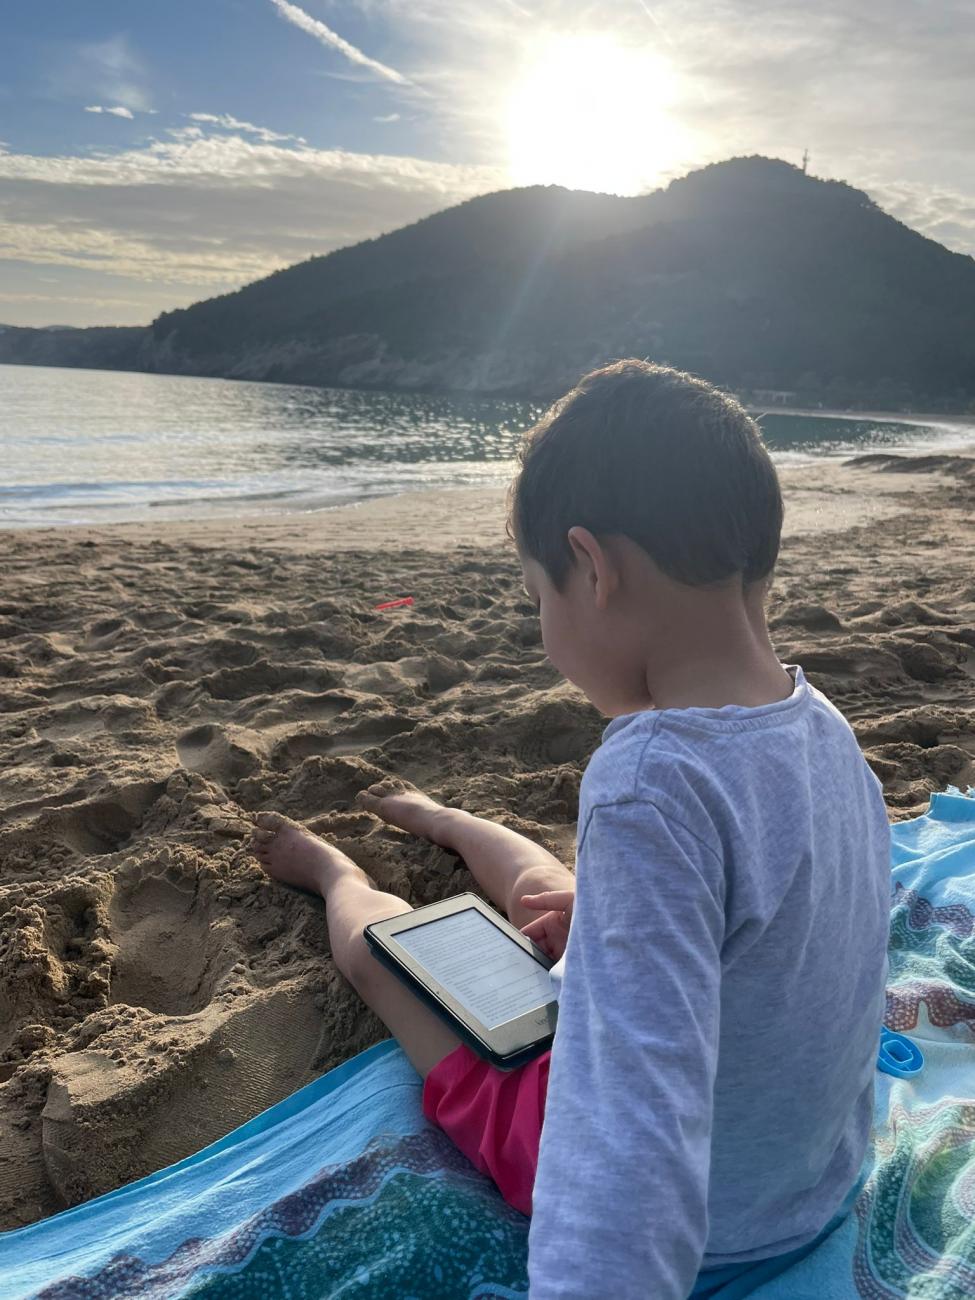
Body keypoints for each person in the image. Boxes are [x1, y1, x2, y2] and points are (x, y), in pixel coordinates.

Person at [250, 360, 891, 1299]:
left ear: (592, 569)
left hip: (715, 1221)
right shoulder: (817, 724)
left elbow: (631, 1134)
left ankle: (335, 872)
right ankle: (441, 821)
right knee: (565, 894)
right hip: (805, 1179)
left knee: (386, 960)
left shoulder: (647, 782)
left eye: (535, 598)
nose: (543, 628)